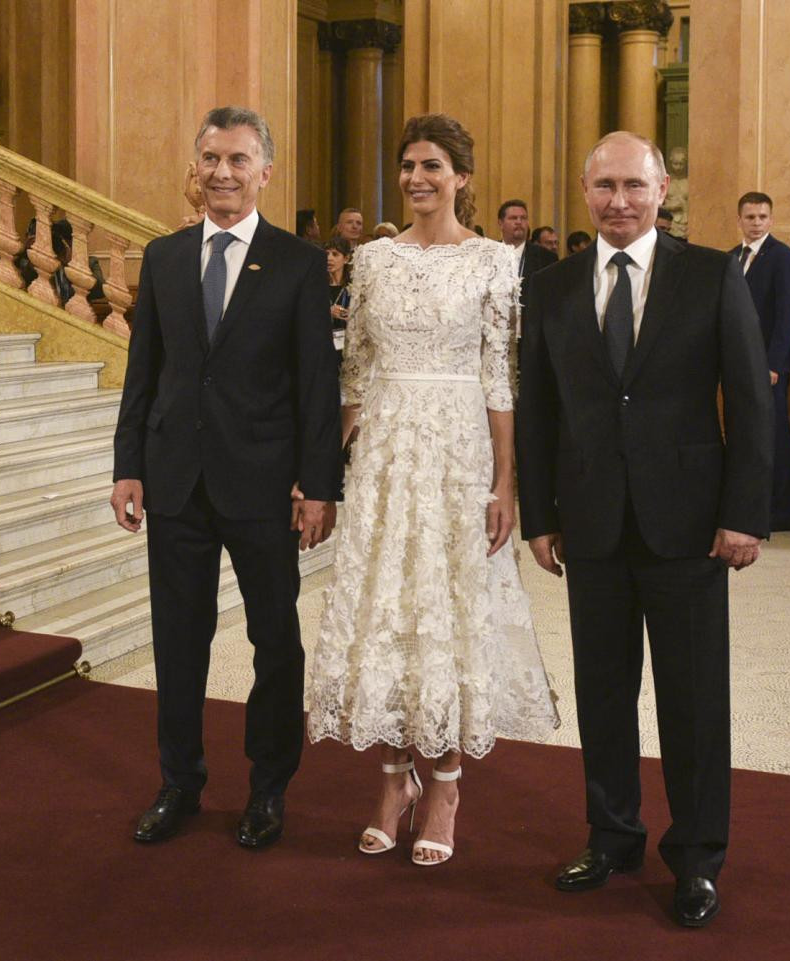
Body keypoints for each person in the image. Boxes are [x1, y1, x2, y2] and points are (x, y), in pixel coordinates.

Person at [516, 131, 772, 928]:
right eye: (603, 187)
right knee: (602, 690)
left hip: (689, 524)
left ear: (663, 190)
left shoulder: (710, 273)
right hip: (590, 523)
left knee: (694, 700)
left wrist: (743, 513)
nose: (618, 201)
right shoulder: (553, 286)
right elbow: (539, 408)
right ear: (585, 192)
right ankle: (613, 833)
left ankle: (697, 857)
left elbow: (750, 400)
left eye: (634, 185)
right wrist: (540, 515)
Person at [307, 113, 559, 867]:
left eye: (433, 167)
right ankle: (392, 780)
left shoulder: (493, 261)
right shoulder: (373, 260)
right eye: (409, 166)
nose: (418, 179)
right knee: (385, 611)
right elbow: (356, 369)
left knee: (446, 612)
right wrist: (324, 471)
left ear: (462, 178)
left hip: (458, 452)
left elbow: (499, 377)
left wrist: (505, 481)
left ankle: (445, 782)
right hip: (385, 453)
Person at [111, 106, 341, 850]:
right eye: (211, 158)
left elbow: (317, 385)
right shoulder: (164, 256)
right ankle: (179, 780)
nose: (222, 173)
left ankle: (268, 786)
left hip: (265, 485)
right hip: (175, 479)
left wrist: (320, 484)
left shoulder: (301, 263)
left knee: (276, 640)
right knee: (179, 639)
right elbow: (143, 368)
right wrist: (127, 468)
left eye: (238, 160)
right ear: (196, 166)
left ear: (265, 173)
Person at [730, 191, 790, 531]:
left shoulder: (783, 257)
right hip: (737, 362)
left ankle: (782, 510)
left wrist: (774, 364)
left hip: (768, 365)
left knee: (773, 434)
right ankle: (750, 507)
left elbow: (787, 316)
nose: (756, 223)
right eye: (750, 217)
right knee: (743, 433)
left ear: (771, 220)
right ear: (740, 220)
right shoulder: (731, 258)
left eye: (762, 217)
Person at [498, 198, 557, 334]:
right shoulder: (488, 255)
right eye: (513, 218)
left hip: (531, 332)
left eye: (523, 218)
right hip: (497, 331)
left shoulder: (546, 258)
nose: (519, 222)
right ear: (500, 223)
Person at [325, 235, 351, 358]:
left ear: (346, 259)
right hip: (324, 343)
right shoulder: (317, 285)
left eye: (335, 254)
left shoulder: (353, 286)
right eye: (327, 254)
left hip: (348, 345)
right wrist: (327, 312)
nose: (329, 258)